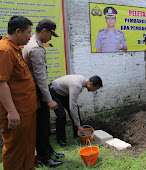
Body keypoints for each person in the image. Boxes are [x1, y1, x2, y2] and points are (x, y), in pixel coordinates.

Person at [23, 19, 64, 167]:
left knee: (45, 125)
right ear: (45, 31)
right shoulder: (36, 48)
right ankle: (44, 158)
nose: (51, 38)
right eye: (51, 35)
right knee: (41, 126)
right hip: (37, 93)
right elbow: (40, 78)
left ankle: (49, 151)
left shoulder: (33, 44)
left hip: (36, 90)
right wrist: (48, 99)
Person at [0, 16, 38, 170]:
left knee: (27, 145)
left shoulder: (15, 49)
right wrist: (12, 111)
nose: (30, 37)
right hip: (17, 113)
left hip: (27, 111)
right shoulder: (5, 50)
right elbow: (1, 83)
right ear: (17, 31)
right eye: (28, 32)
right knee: (15, 149)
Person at [49, 75, 103, 146]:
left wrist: (78, 124)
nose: (93, 91)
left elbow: (73, 106)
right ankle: (61, 140)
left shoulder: (83, 82)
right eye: (94, 89)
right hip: (54, 92)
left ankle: (77, 133)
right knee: (61, 115)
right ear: (90, 84)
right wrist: (78, 124)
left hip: (63, 93)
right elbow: (72, 106)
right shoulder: (77, 85)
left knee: (75, 110)